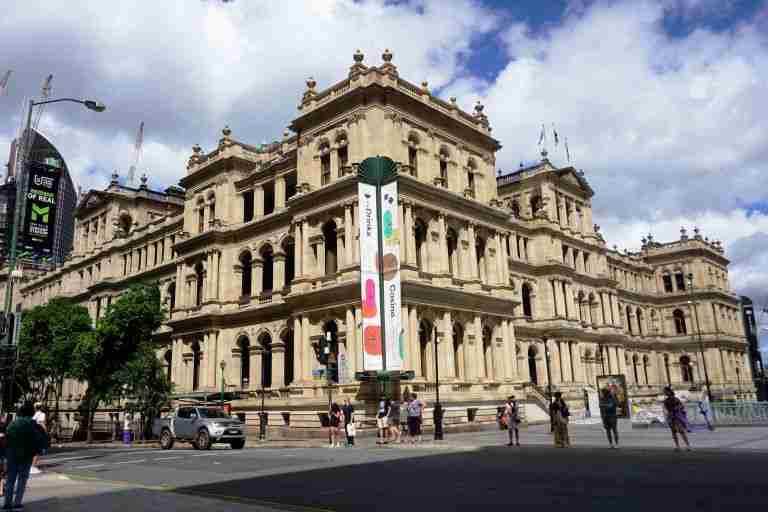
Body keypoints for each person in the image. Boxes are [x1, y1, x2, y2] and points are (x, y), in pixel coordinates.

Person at [5, 403, 45, 510]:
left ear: (20, 412)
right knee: (22, 480)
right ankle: (17, 504)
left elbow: (6, 440)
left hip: (12, 456)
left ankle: (7, 504)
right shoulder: (33, 425)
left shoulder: (12, 424)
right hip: (26, 457)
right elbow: (40, 440)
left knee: (10, 480)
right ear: (32, 413)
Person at [663, 387, 691, 451]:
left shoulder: (675, 399)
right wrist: (667, 415)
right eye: (664, 392)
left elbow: (681, 406)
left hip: (676, 416)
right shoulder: (666, 400)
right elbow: (665, 409)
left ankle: (687, 445)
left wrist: (677, 408)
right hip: (671, 417)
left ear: (669, 392)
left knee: (681, 431)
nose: (664, 393)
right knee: (673, 432)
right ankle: (677, 446)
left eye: (665, 391)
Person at [30, 403, 46, 475]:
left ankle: (30, 466)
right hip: (39, 433)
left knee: (33, 450)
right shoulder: (42, 414)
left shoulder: (34, 415)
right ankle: (33, 467)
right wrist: (46, 431)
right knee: (37, 451)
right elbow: (42, 423)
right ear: (41, 407)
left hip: (32, 434)